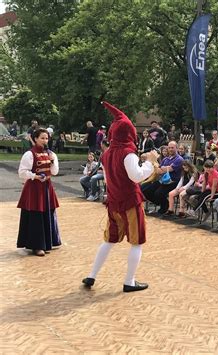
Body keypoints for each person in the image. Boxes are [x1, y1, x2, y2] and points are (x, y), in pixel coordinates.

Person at [82, 102, 159, 293]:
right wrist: (150, 163)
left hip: (114, 201)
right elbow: (137, 176)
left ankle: (92, 275)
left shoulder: (107, 153)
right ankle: (129, 281)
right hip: (130, 201)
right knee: (136, 241)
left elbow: (109, 179)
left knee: (109, 239)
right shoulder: (127, 153)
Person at [17, 128, 61, 256]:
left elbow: (54, 172)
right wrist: (34, 176)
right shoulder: (29, 154)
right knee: (36, 216)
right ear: (35, 139)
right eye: (42, 138)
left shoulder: (51, 154)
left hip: (47, 187)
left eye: (46, 138)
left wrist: (53, 162)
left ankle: (48, 242)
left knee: (48, 213)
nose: (45, 140)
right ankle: (37, 246)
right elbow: (21, 172)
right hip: (34, 189)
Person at [142, 141, 184, 214]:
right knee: (145, 189)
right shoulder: (165, 159)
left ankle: (164, 206)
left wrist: (162, 168)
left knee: (158, 193)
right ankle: (161, 203)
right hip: (163, 180)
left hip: (173, 182)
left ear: (176, 148)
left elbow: (167, 169)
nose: (170, 149)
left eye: (172, 148)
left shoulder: (179, 159)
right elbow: (158, 171)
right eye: (169, 148)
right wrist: (164, 168)